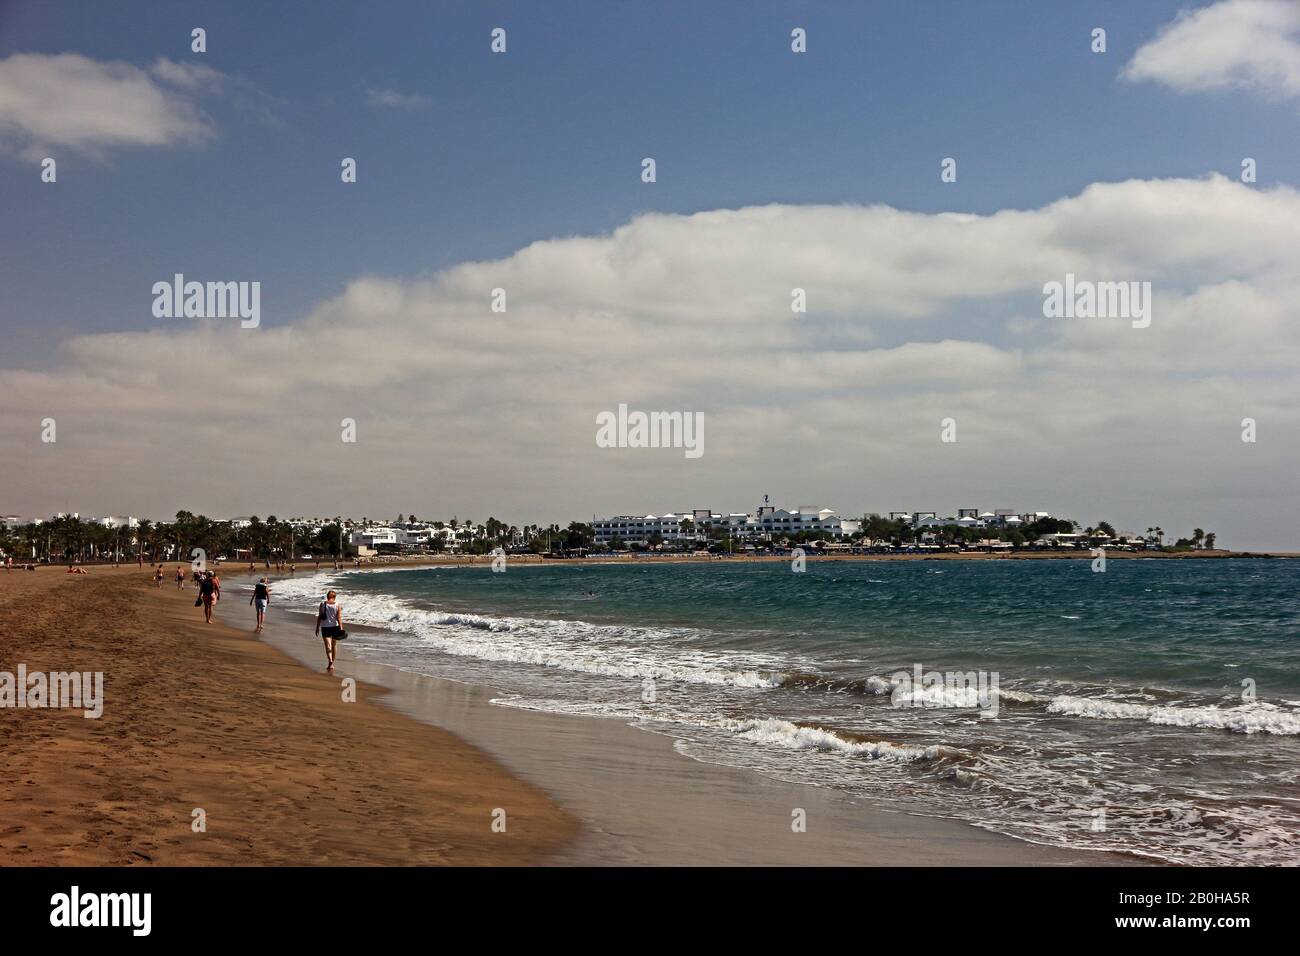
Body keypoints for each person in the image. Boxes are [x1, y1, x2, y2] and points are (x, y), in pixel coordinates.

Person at [315, 590, 345, 674]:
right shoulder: (337, 605)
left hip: (325, 627)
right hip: (335, 627)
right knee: (334, 645)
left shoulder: (322, 604)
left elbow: (320, 617)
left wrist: (317, 627)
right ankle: (331, 663)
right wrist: (341, 628)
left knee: (328, 646)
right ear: (334, 597)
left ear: (327, 596)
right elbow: (339, 618)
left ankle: (330, 661)